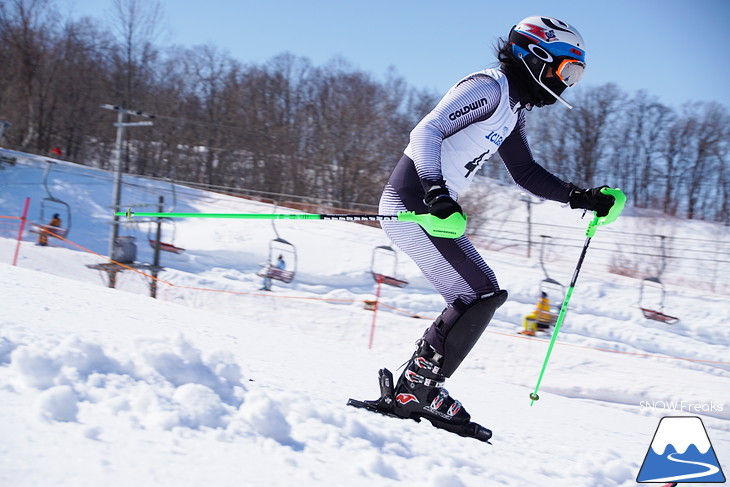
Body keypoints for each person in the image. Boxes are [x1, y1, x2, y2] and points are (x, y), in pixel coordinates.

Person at [368, 16, 617, 432]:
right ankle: (417, 392)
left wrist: (580, 197)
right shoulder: (488, 89)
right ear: (537, 56)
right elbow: (426, 132)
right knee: (479, 292)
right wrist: (436, 192)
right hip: (412, 204)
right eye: (567, 71)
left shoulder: (512, 110)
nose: (567, 84)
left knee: (479, 293)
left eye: (575, 76)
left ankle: (418, 389)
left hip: (431, 210)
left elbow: (525, 172)